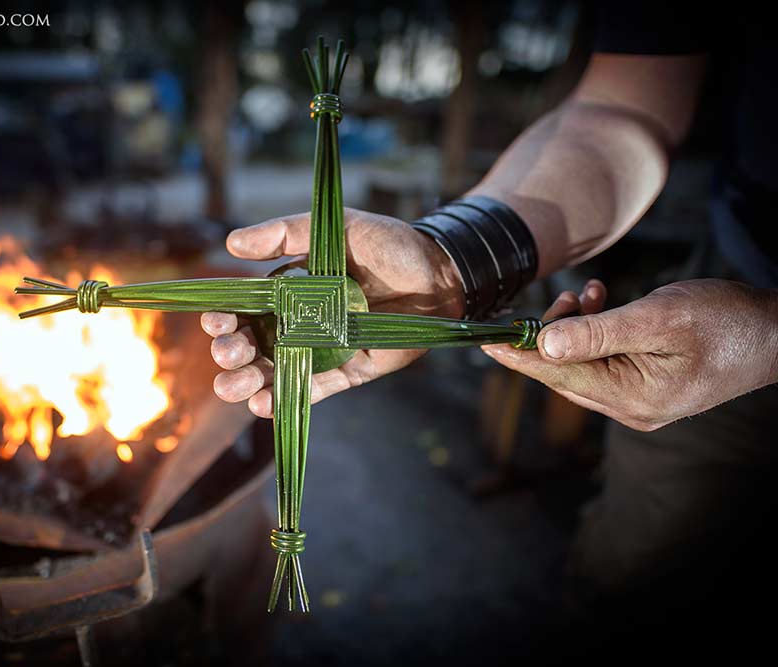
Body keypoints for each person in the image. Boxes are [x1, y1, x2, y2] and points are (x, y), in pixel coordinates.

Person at [202, 2, 778, 646]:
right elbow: (625, 115)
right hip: (742, 287)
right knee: (637, 587)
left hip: (754, 320)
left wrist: (772, 336)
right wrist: (451, 262)